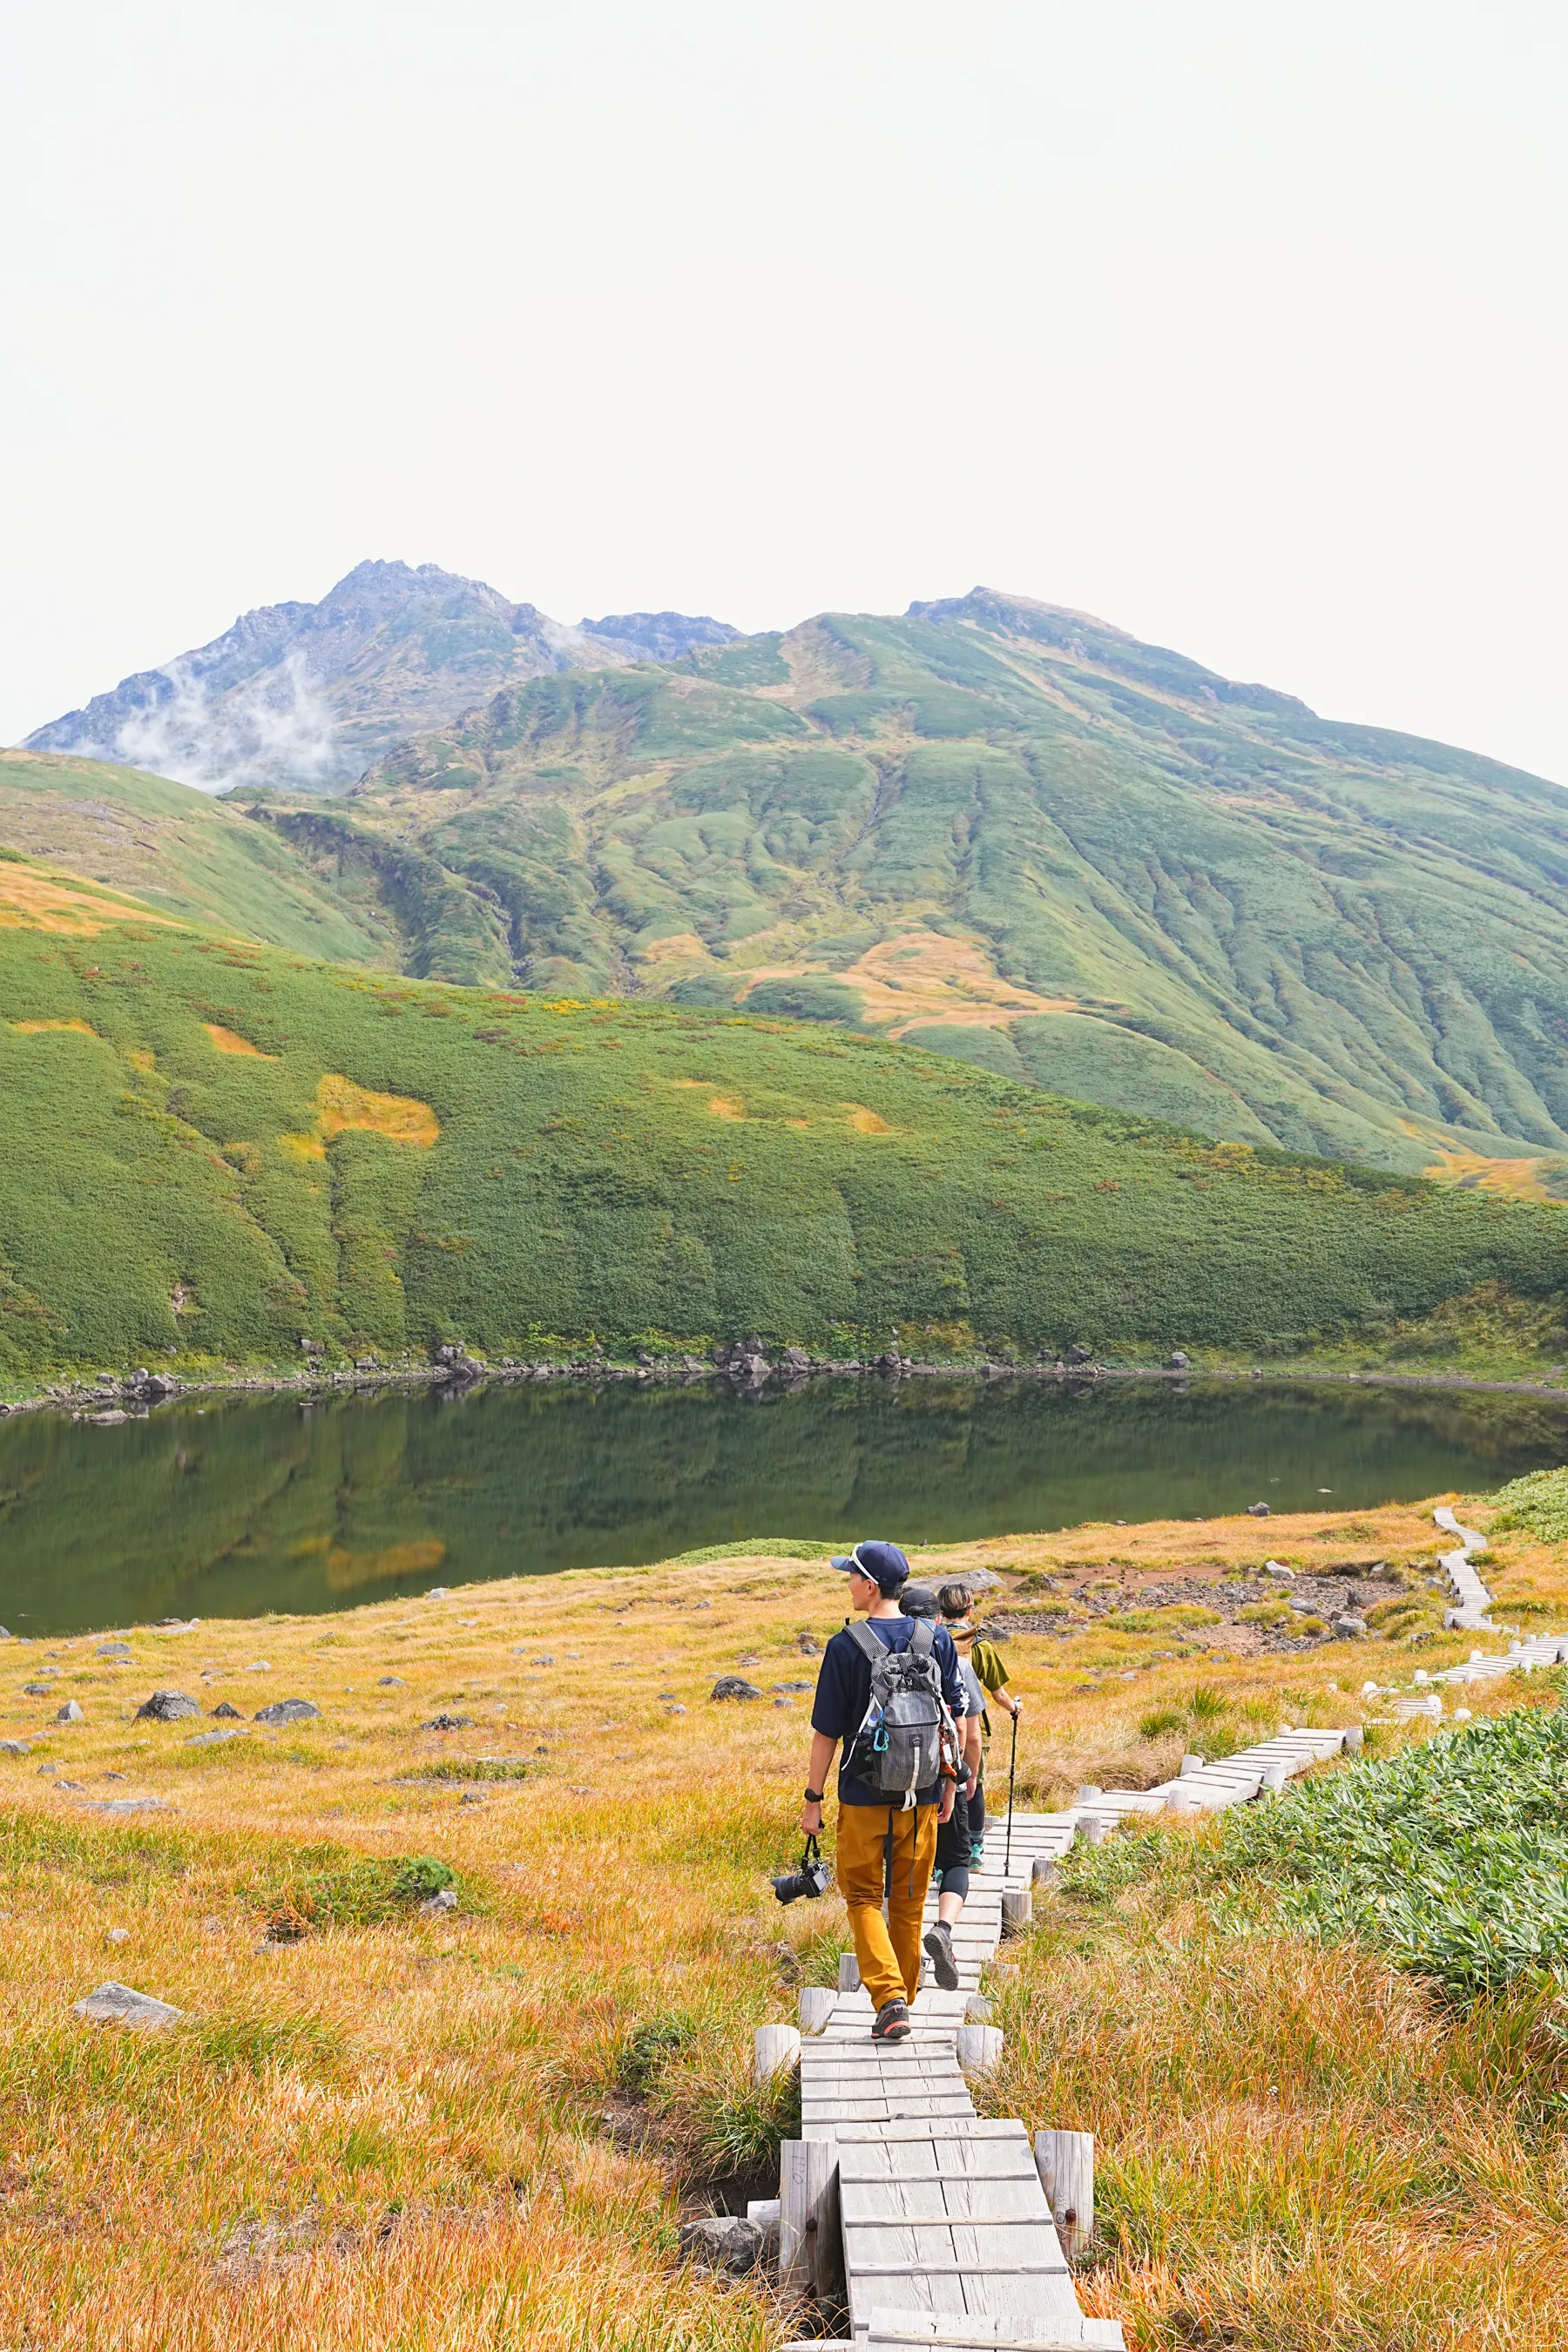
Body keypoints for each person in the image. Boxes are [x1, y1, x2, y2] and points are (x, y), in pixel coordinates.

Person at [801, 1542, 969, 2042]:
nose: (847, 1583)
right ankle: (906, 1997)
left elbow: (826, 1735)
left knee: (863, 1898)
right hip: (921, 1793)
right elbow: (951, 1717)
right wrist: (951, 1784)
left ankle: (889, 1998)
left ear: (871, 1586)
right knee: (911, 1900)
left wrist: (814, 1801)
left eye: (851, 1576)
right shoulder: (933, 1639)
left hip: (863, 1795)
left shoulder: (846, 1646)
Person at [900, 1584, 983, 1992]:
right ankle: (944, 1928)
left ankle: (901, 1949)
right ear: (937, 1620)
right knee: (956, 1860)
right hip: (939, 1772)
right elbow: (966, 1729)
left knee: (901, 1863)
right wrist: (961, 1777)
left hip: (893, 1778)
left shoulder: (881, 1653)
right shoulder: (955, 1658)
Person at [938, 1580, 1021, 1868]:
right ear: (970, 1610)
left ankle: (940, 1856)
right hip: (974, 1730)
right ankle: (975, 1848)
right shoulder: (980, 1646)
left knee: (941, 1787)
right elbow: (998, 1693)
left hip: (934, 1729)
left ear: (941, 1611)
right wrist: (1015, 1708)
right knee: (973, 1784)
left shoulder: (930, 1641)